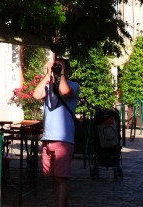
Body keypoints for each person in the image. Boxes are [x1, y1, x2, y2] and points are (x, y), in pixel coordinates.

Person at [33, 56, 80, 207]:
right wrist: (48, 74)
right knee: (54, 178)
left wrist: (62, 75)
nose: (57, 69)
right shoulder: (49, 86)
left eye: (60, 66)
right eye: (56, 66)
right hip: (47, 138)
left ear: (68, 70)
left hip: (63, 139)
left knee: (61, 178)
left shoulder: (74, 85)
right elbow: (36, 95)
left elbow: (65, 92)